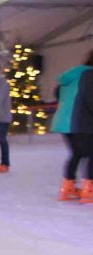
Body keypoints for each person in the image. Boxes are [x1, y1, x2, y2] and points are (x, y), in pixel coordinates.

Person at [52, 49, 93, 203]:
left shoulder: (73, 75)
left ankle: (68, 188)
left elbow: (56, 92)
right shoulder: (89, 74)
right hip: (80, 121)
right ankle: (89, 189)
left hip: (63, 121)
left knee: (77, 153)